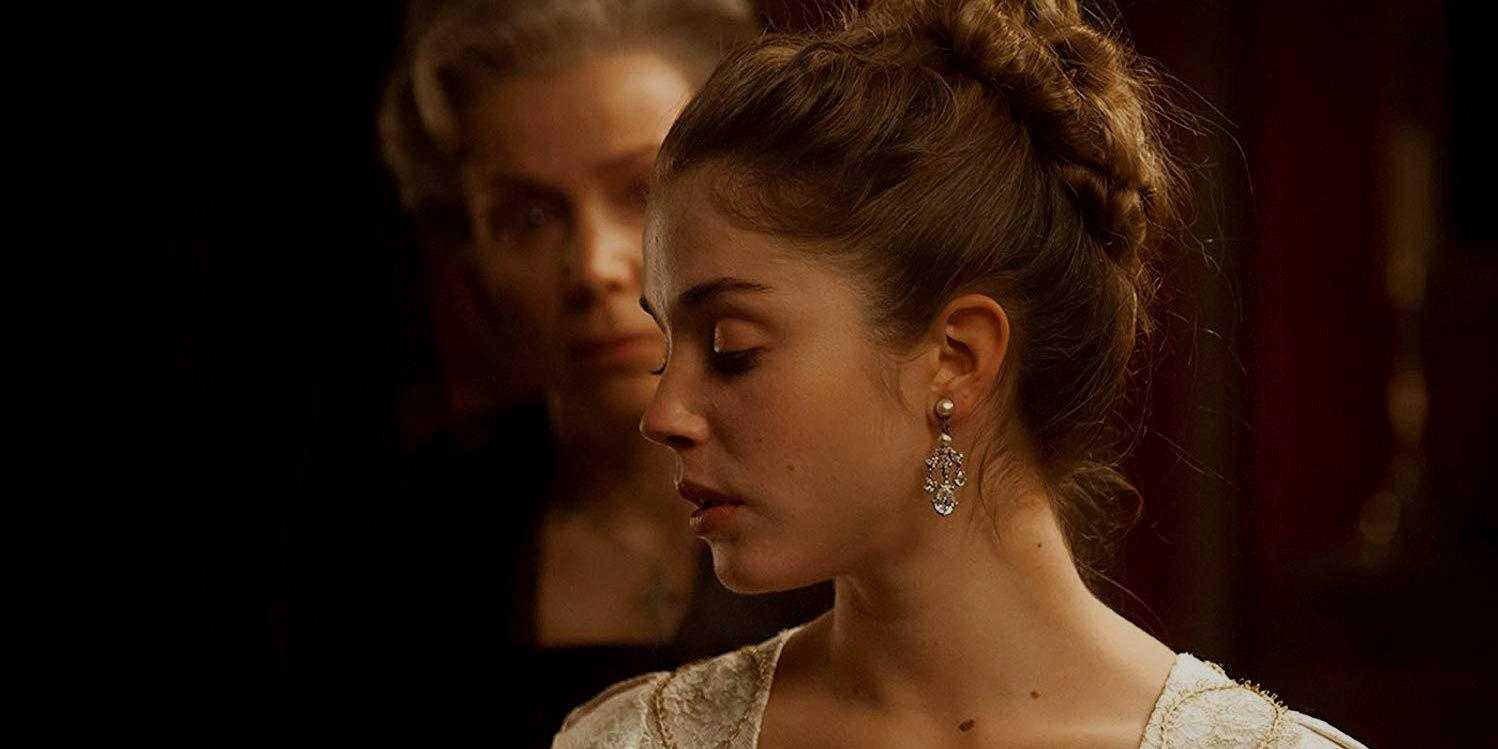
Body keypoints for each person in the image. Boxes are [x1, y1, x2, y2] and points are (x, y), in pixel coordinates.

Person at [552, 0, 1367, 746]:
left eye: (732, 347)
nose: (663, 412)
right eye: (666, 350)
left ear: (957, 358)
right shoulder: (628, 739)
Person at [367, 0, 830, 742]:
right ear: (469, 256)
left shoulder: (863, 508)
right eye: (528, 218)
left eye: (643, 192)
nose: (592, 268)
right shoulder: (402, 540)